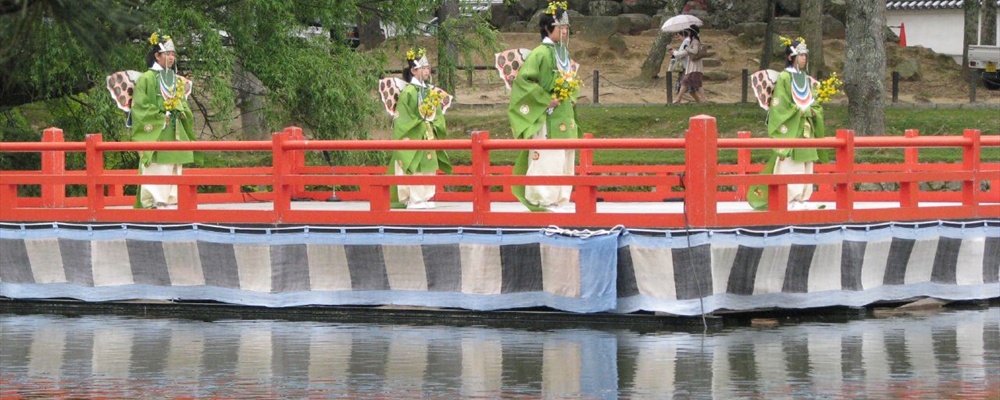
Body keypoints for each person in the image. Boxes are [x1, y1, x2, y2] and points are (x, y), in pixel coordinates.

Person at [507, 1, 580, 212]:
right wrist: (545, 99)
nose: (565, 32)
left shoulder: (563, 53)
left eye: (567, 28)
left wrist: (570, 93)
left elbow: (571, 78)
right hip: (547, 114)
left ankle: (560, 197)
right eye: (561, 28)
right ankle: (542, 197)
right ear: (548, 28)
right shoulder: (539, 53)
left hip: (563, 111)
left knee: (565, 155)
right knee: (548, 157)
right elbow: (524, 83)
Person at [747, 37, 827, 211]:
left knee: (806, 163)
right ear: (791, 57)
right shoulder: (784, 77)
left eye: (805, 55)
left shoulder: (805, 77)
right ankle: (789, 198)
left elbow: (812, 101)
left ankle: (802, 198)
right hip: (792, 125)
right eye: (800, 55)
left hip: (806, 125)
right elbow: (780, 103)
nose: (804, 58)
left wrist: (813, 110)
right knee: (792, 164)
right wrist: (800, 111)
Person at [130, 32, 197, 209]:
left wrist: (181, 111)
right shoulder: (146, 78)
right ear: (157, 56)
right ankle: (155, 201)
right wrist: (161, 117)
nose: (171, 57)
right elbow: (139, 107)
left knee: (175, 166)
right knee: (157, 166)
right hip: (158, 129)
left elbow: (183, 103)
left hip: (175, 129)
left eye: (173, 54)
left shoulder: (177, 80)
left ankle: (173, 200)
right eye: (167, 54)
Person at [389, 48, 452, 209]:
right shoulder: (408, 92)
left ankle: (425, 197)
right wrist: (420, 124)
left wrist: (433, 122)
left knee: (428, 166)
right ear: (413, 70)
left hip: (428, 132)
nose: (427, 71)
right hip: (415, 133)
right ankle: (415, 199)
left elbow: (436, 114)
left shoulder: (430, 91)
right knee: (416, 165)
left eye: (427, 67)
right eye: (423, 68)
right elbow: (402, 118)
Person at [670, 25, 703, 104]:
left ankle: (678, 99)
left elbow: (687, 52)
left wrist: (674, 52)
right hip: (689, 66)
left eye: (678, 36)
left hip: (689, 66)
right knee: (690, 85)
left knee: (687, 83)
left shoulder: (689, 41)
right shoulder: (690, 40)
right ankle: (700, 101)